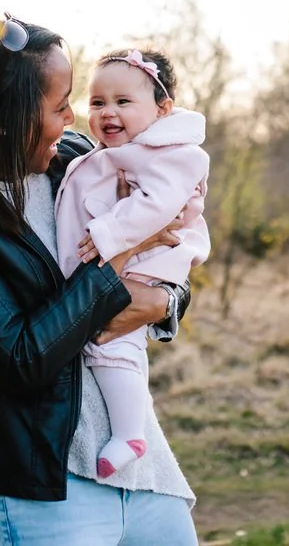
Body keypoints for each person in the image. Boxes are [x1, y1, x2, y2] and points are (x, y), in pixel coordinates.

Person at [0, 13, 199, 545]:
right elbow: (20, 359)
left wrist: (166, 301)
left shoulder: (76, 160)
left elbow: (166, 252)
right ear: (0, 121)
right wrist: (120, 251)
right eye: (59, 107)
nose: (74, 119)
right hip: (46, 485)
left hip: (143, 468)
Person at [54, 48, 211, 479]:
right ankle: (130, 426)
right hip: (118, 264)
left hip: (146, 264)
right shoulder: (106, 152)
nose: (108, 112)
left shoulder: (171, 152)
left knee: (113, 344)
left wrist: (109, 233)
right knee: (115, 341)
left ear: (162, 109)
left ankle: (129, 434)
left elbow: (160, 206)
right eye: (98, 102)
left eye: (123, 102)